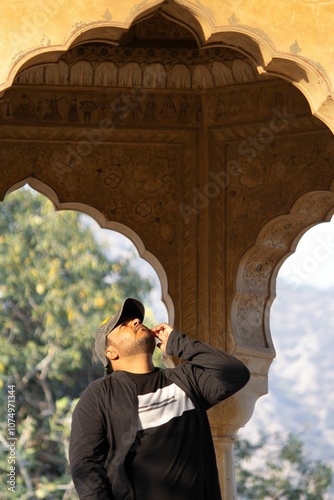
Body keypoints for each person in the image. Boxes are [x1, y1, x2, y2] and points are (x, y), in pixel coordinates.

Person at [69, 297, 250, 500]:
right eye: (123, 324)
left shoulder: (185, 379)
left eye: (134, 318)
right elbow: (85, 465)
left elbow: (235, 373)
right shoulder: (100, 395)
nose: (136, 321)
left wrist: (178, 342)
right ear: (111, 352)